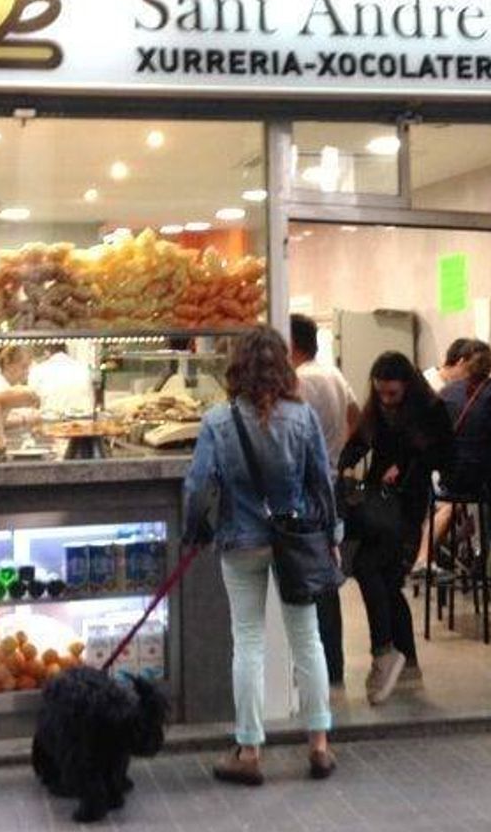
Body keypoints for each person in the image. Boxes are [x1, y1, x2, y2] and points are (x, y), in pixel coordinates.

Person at [182, 326, 339, 785]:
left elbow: (197, 485)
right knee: (306, 640)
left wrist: (195, 533)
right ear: (282, 367)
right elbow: (321, 482)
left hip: (240, 540)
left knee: (247, 641)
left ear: (237, 367)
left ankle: (249, 750)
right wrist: (330, 534)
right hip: (295, 541)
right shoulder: (302, 416)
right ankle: (319, 746)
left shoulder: (217, 420)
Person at [339, 352, 452, 705]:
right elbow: (359, 443)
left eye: (393, 395)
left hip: (405, 506)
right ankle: (405, 662)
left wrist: (405, 466)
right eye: (381, 394)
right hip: (379, 504)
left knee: (370, 568)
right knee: (388, 582)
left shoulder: (430, 411)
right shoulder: (377, 411)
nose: (386, 401)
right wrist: (342, 465)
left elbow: (445, 456)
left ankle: (386, 653)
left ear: (407, 388)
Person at [290, 313, 360, 691]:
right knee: (326, 580)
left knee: (305, 581)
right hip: (330, 485)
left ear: (290, 345)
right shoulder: (333, 374)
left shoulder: (301, 381)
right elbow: (355, 414)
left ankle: (311, 672)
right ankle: (332, 665)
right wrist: (337, 451)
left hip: (307, 490)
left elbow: (287, 432)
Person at [420, 341, 491, 573]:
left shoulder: (446, 392)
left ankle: (469, 553)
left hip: (450, 478)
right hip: (484, 482)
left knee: (459, 504)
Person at [29, 343, 93, 415]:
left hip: (49, 422)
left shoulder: (38, 370)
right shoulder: (83, 369)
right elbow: (91, 400)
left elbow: (32, 402)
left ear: (46, 352)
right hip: (83, 422)